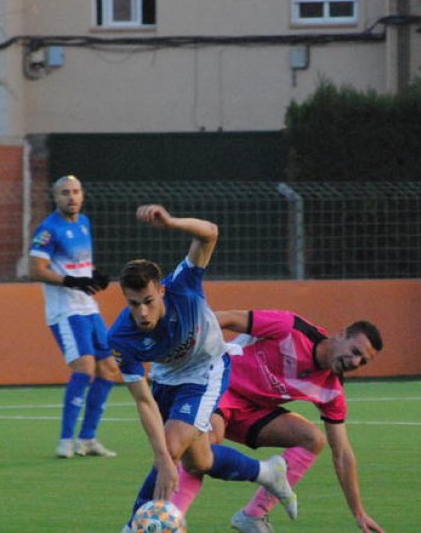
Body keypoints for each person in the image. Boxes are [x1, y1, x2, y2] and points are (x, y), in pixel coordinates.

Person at [108, 205, 297, 531]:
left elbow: (209, 232)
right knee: (201, 460)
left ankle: (132, 528)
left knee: (170, 448)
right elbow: (143, 401)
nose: (142, 312)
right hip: (167, 379)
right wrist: (163, 461)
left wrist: (171, 222)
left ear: (161, 290)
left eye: (149, 301)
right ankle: (268, 473)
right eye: (133, 304)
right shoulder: (120, 337)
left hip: (206, 371)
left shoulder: (183, 284)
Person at [212, 309, 385, 533]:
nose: (355, 361)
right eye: (355, 351)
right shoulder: (289, 327)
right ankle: (166, 508)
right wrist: (185, 338)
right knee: (202, 449)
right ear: (341, 334)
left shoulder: (331, 391)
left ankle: (253, 515)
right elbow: (230, 318)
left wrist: (359, 512)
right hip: (217, 386)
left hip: (250, 413)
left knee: (313, 439)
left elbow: (342, 452)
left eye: (362, 361)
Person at [29, 175, 118, 459]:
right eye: (65, 192)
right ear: (55, 197)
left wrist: (92, 276)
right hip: (65, 311)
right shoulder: (48, 229)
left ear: (82, 195)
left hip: (88, 307)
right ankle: (66, 440)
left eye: (76, 191)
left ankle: (88, 438)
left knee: (109, 369)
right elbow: (37, 268)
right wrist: (70, 282)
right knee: (85, 368)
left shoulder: (83, 223)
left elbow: (80, 262)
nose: (72, 197)